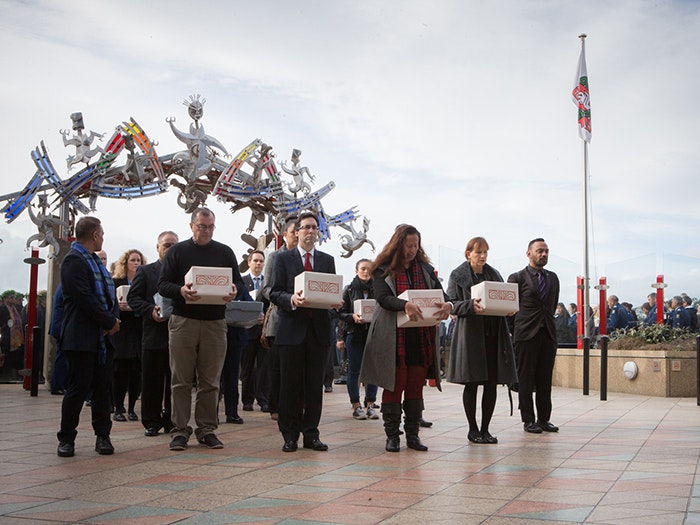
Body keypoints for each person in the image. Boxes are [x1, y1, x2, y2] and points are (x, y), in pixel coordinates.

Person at [359, 224, 452, 452]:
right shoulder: (383, 269)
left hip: (420, 336)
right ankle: (393, 436)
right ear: (398, 245)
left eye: (415, 245)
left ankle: (413, 435)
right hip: (393, 338)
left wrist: (448, 304)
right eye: (408, 245)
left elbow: (442, 295)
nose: (412, 250)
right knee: (394, 385)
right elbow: (382, 298)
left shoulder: (426, 270)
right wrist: (405, 305)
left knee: (415, 388)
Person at [158, 207, 244, 451]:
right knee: (180, 380)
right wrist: (181, 291)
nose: (206, 230)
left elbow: (237, 281)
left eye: (210, 227)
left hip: (215, 323)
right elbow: (162, 284)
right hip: (183, 321)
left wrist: (234, 290)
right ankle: (179, 430)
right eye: (201, 226)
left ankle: (207, 429)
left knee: (210, 381)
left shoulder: (225, 252)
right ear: (191, 226)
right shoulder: (177, 251)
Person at [269, 211, 340, 452]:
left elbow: (330, 291)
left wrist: (334, 302)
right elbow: (273, 292)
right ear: (297, 231)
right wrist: (291, 299)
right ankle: (289, 435)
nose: (311, 231)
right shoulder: (283, 259)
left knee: (313, 387)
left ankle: (311, 434)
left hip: (318, 332)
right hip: (291, 331)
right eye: (306, 227)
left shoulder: (327, 260)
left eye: (314, 228)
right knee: (290, 386)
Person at [56, 216, 120, 457]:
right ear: (94, 235)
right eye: (101, 234)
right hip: (81, 338)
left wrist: (112, 320)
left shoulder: (97, 263)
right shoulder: (73, 261)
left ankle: (103, 436)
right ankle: (66, 439)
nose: (103, 238)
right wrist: (109, 321)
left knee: (103, 390)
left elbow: (108, 296)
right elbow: (83, 299)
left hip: (102, 339)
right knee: (77, 390)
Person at [446, 236, 518, 445]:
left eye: (485, 252)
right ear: (468, 254)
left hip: (494, 335)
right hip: (470, 335)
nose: (483, 256)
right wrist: (470, 305)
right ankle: (472, 429)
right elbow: (451, 303)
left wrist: (509, 309)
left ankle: (486, 428)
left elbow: (503, 297)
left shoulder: (494, 274)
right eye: (478, 252)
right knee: (472, 383)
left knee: (491, 384)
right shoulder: (457, 275)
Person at [127, 231, 178, 436]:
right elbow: (134, 298)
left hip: (178, 335)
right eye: (166, 245)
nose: (170, 249)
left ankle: (172, 420)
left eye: (174, 245)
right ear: (157, 247)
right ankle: (151, 421)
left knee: (176, 382)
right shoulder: (146, 272)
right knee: (151, 380)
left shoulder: (183, 273)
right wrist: (150, 310)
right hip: (153, 334)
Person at [507, 238, 560, 434]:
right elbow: (510, 310)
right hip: (525, 335)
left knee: (545, 379)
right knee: (526, 379)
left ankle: (544, 419)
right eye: (539, 251)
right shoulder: (517, 277)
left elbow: (552, 304)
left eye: (546, 251)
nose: (543, 254)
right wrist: (516, 331)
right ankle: (528, 420)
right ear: (529, 253)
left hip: (547, 334)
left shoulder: (553, 278)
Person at [260, 216, 298, 421]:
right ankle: (275, 406)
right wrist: (287, 298)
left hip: (302, 319)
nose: (298, 235)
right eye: (294, 232)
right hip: (279, 319)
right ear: (285, 235)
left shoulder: (305, 258)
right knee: (277, 367)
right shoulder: (275, 257)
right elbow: (266, 288)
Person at [337, 258, 379, 420]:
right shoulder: (349, 290)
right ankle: (356, 405)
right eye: (362, 269)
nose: (366, 272)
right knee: (354, 371)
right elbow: (340, 313)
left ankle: (370, 404)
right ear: (356, 271)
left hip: (373, 336)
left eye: (369, 269)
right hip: (354, 334)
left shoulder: (378, 289)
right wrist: (353, 317)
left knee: (372, 372)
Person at [111, 249, 146, 422]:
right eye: (133, 260)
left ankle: (132, 408)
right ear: (125, 263)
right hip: (122, 330)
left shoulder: (143, 280)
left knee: (136, 372)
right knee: (120, 372)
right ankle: (118, 408)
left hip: (138, 329)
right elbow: (110, 303)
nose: (136, 263)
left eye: (139, 260)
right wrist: (118, 306)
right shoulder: (116, 281)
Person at [240, 250, 270, 412]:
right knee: (247, 367)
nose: (258, 264)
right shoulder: (242, 281)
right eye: (255, 260)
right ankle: (247, 399)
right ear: (249, 262)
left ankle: (263, 399)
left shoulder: (268, 282)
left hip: (264, 330)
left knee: (264, 366)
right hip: (247, 329)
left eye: (261, 261)